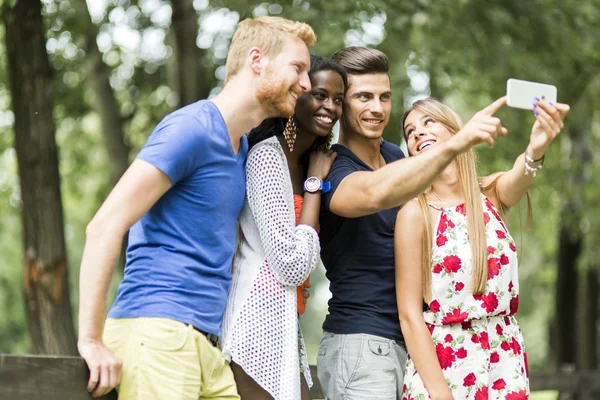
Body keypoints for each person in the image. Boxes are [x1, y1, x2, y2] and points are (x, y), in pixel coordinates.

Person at [77, 16, 316, 400]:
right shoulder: (192, 128)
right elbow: (104, 225)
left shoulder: (239, 150)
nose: (306, 84)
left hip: (208, 346)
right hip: (158, 332)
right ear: (257, 60)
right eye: (298, 68)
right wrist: (90, 340)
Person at [316, 46, 510, 399]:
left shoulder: (394, 155)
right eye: (363, 97)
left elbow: (456, 195)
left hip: (416, 344)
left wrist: (530, 160)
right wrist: (456, 143)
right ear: (341, 104)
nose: (377, 108)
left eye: (384, 96)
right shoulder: (333, 169)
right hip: (361, 345)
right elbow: (375, 193)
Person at [395, 97, 569, 400]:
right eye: (410, 132)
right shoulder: (415, 214)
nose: (418, 133)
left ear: (456, 131)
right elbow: (409, 315)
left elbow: (520, 176)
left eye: (428, 122)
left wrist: (537, 147)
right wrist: (441, 394)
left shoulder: (488, 194)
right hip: (446, 367)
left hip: (503, 358)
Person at [220, 54, 346, 400]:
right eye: (320, 95)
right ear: (297, 94)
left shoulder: (307, 162)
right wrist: (313, 186)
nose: (330, 107)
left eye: (338, 99)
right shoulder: (267, 157)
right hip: (255, 317)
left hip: (283, 318)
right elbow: (290, 265)